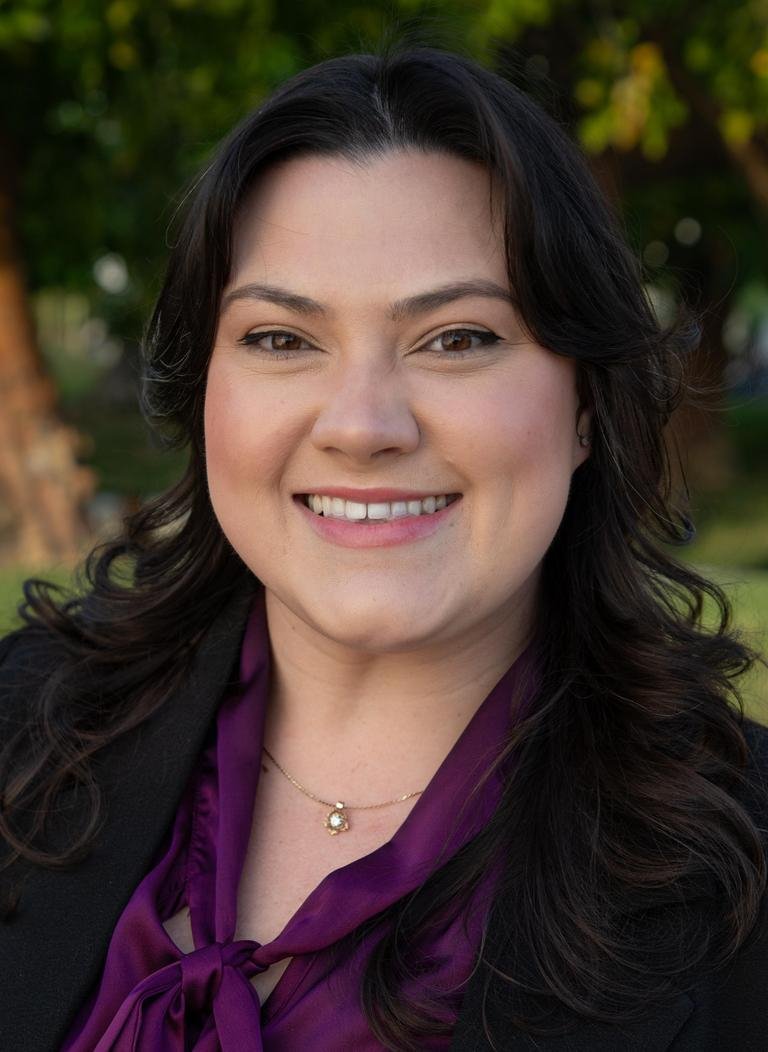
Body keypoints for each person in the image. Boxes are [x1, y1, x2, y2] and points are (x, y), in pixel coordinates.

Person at [1, 43, 767, 1052]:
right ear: (206, 398)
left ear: (586, 402)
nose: (362, 426)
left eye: (458, 338)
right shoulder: (22, 721)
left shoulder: (742, 872)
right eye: (282, 338)